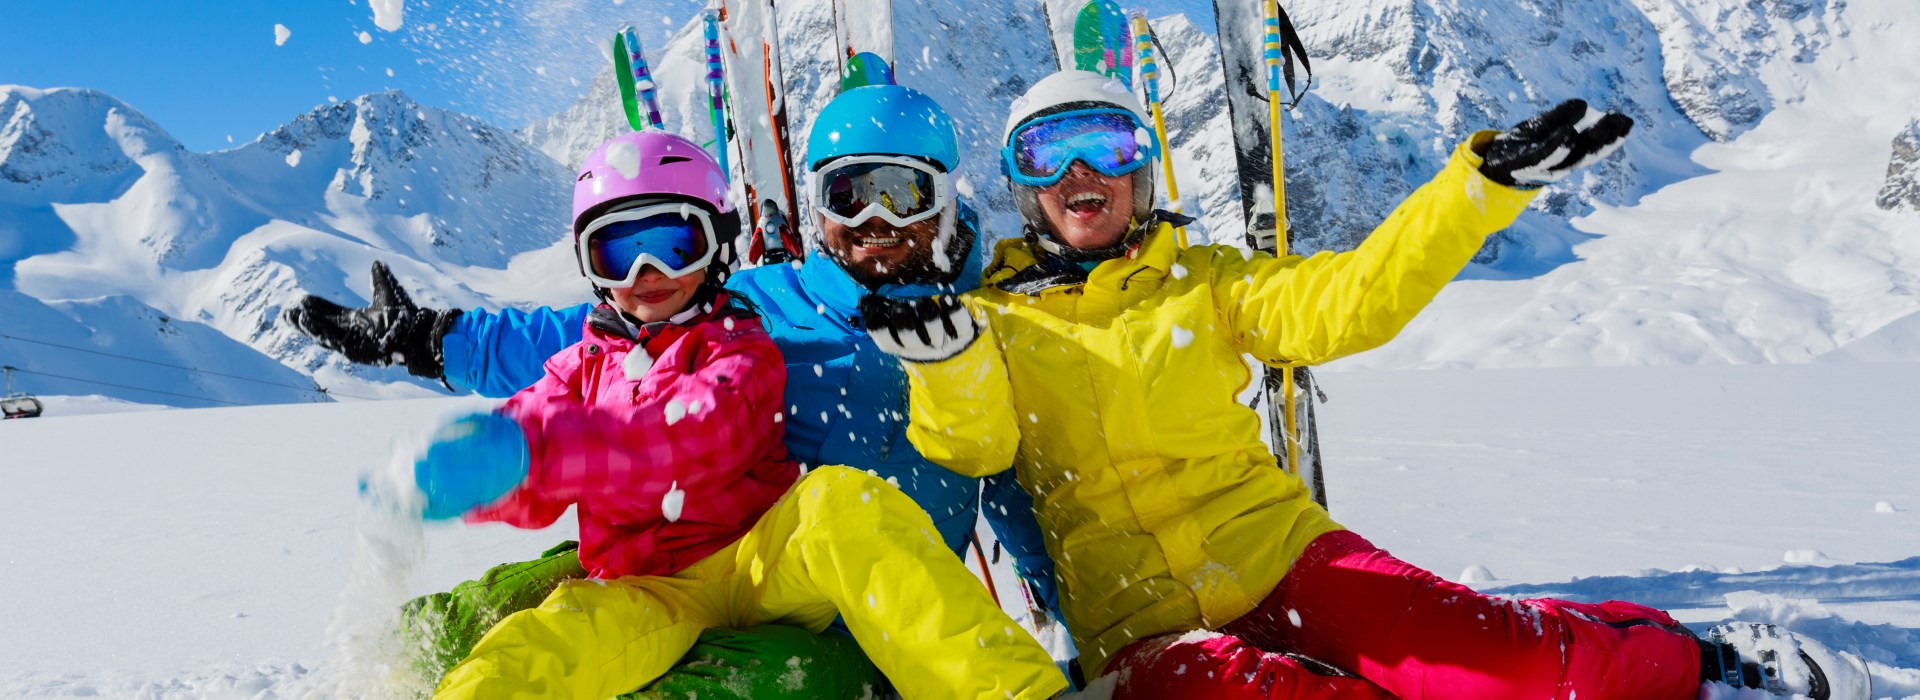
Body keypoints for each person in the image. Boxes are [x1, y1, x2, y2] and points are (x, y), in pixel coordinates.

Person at [857, 70, 1872, 700]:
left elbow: (1350, 302)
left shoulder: (1204, 285)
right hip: (1150, 633)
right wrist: (945, 369)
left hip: (1292, 561)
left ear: (1143, 171)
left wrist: (1474, 193)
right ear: (1022, 183)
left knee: (1507, 671)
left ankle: (1687, 658)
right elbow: (976, 446)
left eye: (1110, 145)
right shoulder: (987, 323)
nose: (1083, 170)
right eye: (1050, 150)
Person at [286, 78, 1064, 634]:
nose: (873, 219)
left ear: (948, 198)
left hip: (866, 613)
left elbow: (1021, 491)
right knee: (486, 618)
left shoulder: (976, 336)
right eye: (846, 194)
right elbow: (578, 341)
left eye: (902, 192)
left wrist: (1069, 625)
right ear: (817, 204)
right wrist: (426, 340)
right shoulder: (762, 301)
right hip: (707, 557)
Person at [407, 128, 1069, 700]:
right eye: (616, 252)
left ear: (716, 246)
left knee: (846, 504)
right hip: (641, 589)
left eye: (674, 244)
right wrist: (492, 471)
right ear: (590, 267)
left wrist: (547, 456)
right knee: (527, 650)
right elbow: (530, 434)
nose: (646, 273)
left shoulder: (741, 344)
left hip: (758, 563)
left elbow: (695, 436)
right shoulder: (578, 366)